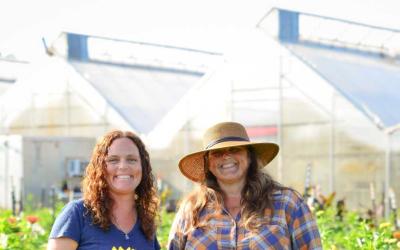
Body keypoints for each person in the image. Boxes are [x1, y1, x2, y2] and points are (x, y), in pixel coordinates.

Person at [168, 122, 322, 249]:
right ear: (208, 163)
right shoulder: (192, 210)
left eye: (235, 149)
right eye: (217, 152)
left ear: (250, 157)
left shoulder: (286, 203)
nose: (226, 156)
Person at [48, 130, 160, 250]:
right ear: (100, 168)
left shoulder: (146, 224)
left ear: (143, 167)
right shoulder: (77, 214)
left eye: (131, 159)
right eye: (113, 160)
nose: (123, 166)